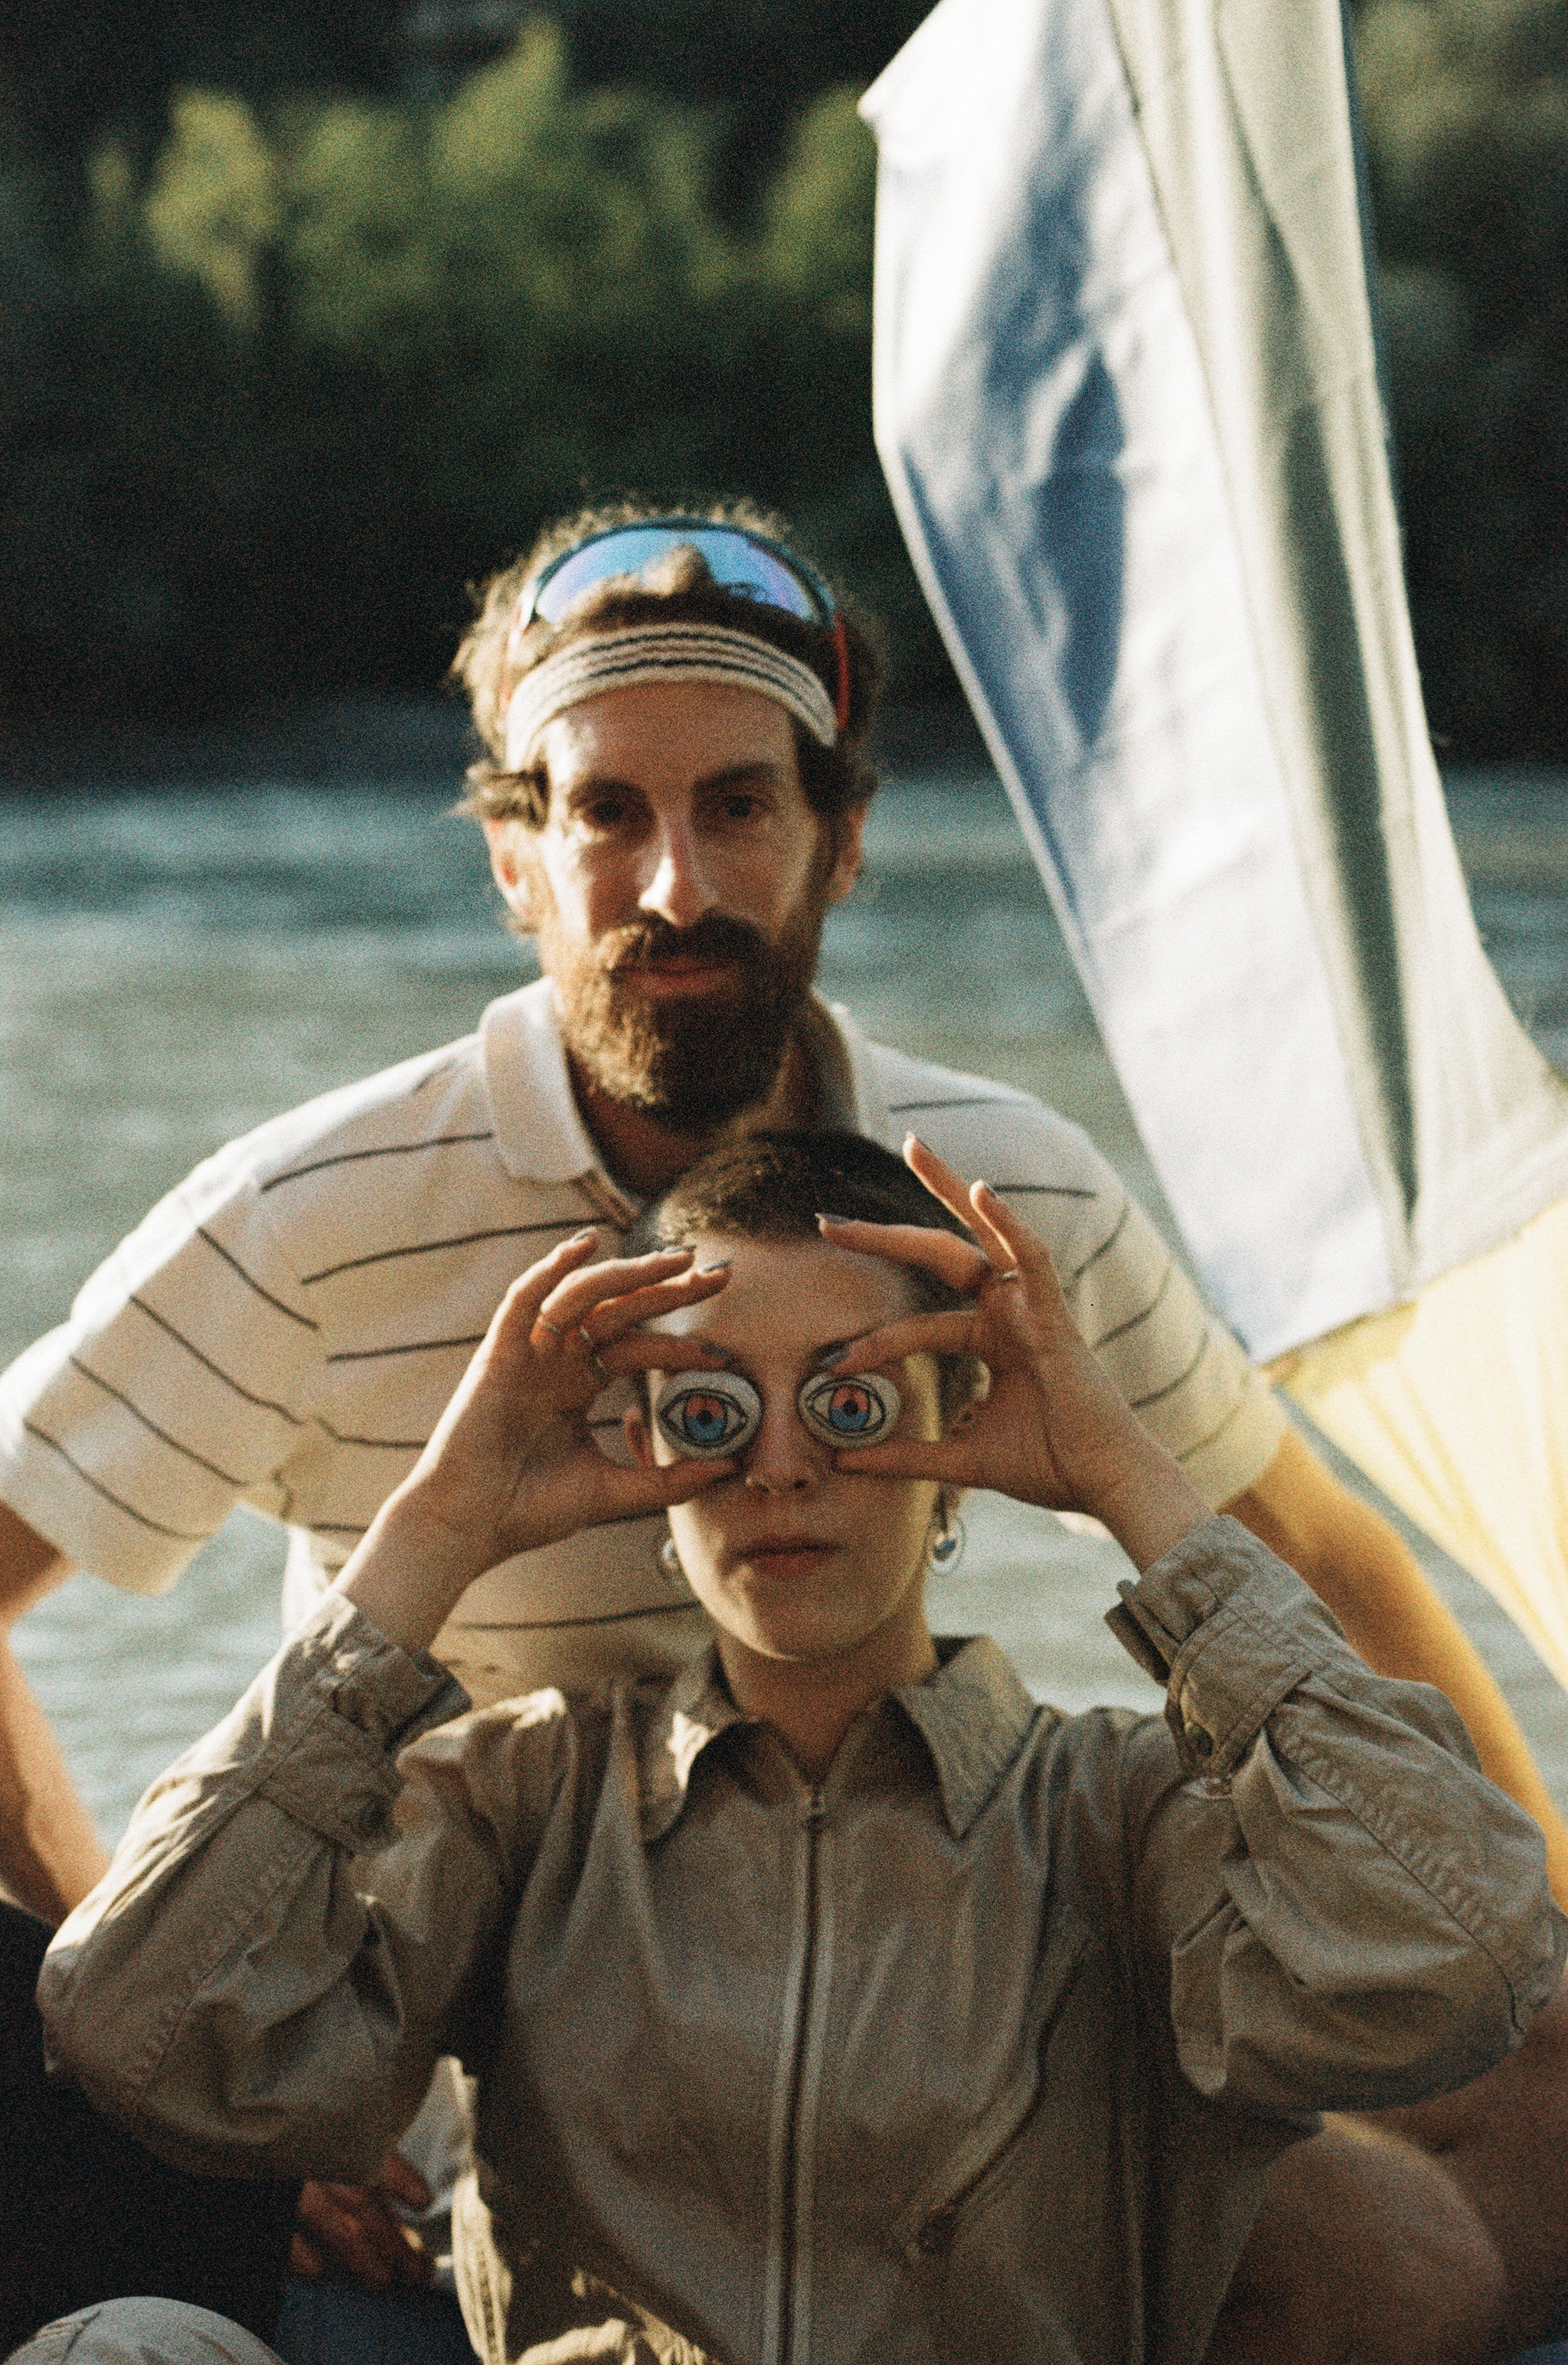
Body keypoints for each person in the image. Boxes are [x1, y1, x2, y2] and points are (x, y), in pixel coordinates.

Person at [1, 503, 1566, 2334]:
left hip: (964, 1957)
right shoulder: (311, 1219)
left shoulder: (995, 1206)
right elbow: (135, 2011)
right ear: (515, 861)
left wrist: (1542, 1967)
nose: (675, 887)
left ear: (840, 840)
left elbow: (1314, 1556)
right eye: (606, 813)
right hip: (524, 1997)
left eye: (738, 805)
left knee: (1466, 2160)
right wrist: (236, 2087)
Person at [25, 1132, 1567, 2365]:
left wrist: (1124, 1474)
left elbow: (1465, 1954)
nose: (779, 1463)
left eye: (851, 1400)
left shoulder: (1120, 1811)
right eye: (710, 1409)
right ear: (645, 1446)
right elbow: (137, 2032)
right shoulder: (523, 1801)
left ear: (958, 1435)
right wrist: (434, 1524)